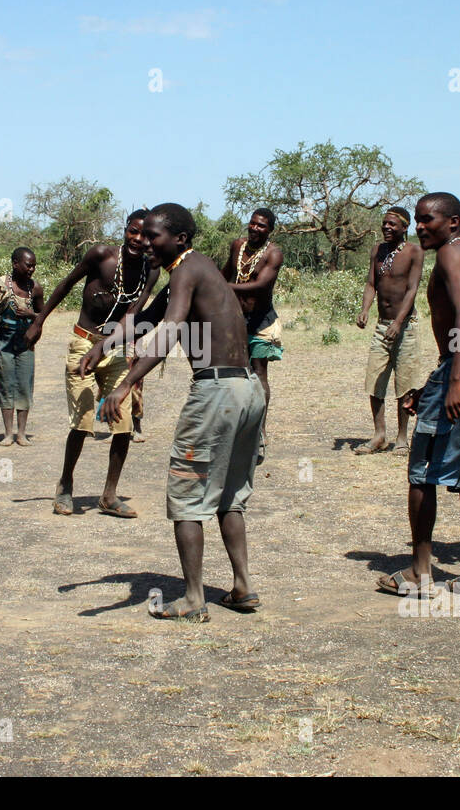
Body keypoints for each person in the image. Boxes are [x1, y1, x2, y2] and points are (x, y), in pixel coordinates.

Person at [86, 203, 266, 621]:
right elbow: (147, 318)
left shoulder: (186, 267)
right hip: (247, 389)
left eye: (154, 236)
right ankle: (241, 587)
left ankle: (193, 598)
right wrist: (103, 345)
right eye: (142, 235)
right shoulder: (195, 269)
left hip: (217, 391)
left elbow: (168, 329)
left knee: (187, 494)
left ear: (180, 239)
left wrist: (127, 382)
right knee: (229, 497)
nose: (145, 243)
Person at [378, 192, 460, 597]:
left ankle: (419, 573)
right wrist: (437, 380)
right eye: (417, 220)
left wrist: (454, 380)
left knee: (422, 472)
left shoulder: (452, 254)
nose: (420, 227)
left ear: (453, 222)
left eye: (427, 220)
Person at [25, 211, 159, 518]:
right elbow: (67, 283)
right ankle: (65, 485)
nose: (139, 240)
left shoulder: (149, 271)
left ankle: (109, 495)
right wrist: (40, 320)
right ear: (125, 230)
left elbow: (135, 312)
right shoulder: (102, 256)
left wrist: (114, 344)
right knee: (83, 420)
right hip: (83, 343)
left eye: (147, 235)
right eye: (134, 232)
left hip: (114, 347)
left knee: (123, 422)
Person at [355, 206, 424, 454]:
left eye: (392, 224)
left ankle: (402, 437)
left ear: (405, 228)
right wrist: (365, 309)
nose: (386, 227)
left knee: (404, 384)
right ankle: (379, 435)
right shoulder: (378, 250)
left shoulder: (414, 251)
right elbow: (371, 283)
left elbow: (412, 289)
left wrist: (398, 322)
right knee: (375, 381)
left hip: (405, 326)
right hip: (382, 326)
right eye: (384, 223)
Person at [222, 208, 283, 462]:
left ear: (270, 230)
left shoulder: (273, 254)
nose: (255, 229)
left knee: (258, 373)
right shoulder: (238, 246)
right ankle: (238, 427)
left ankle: (260, 429)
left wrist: (225, 286)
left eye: (262, 226)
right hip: (236, 320)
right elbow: (226, 272)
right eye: (253, 223)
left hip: (261, 321)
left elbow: (260, 286)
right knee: (236, 374)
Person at [0, 246, 43, 446]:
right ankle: (8, 433)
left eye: (34, 266)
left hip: (26, 342)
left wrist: (30, 315)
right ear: (15, 263)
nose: (31, 269)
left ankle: (22, 433)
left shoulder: (35, 288)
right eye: (28, 265)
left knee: (25, 387)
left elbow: (42, 316)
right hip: (3, 341)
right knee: (6, 385)